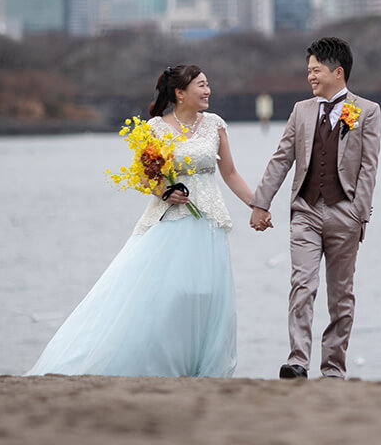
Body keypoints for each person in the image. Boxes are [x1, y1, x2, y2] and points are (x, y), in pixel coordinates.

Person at [28, 64, 261, 377]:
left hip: (209, 222)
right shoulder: (154, 128)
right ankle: (158, 362)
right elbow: (146, 176)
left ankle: (203, 368)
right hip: (171, 222)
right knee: (167, 294)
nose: (208, 91)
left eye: (208, 85)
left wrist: (257, 205)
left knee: (208, 294)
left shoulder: (215, 124)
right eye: (201, 85)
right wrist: (165, 191)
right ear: (180, 93)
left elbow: (230, 173)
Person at [248, 37, 381, 380]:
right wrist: (261, 203)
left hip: (345, 213)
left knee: (341, 296)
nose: (310, 76)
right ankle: (297, 361)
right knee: (302, 285)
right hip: (305, 211)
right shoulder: (301, 111)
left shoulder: (367, 111)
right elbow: (282, 158)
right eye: (308, 70)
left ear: (338, 72)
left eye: (316, 70)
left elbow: (369, 167)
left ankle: (333, 367)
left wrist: (358, 213)